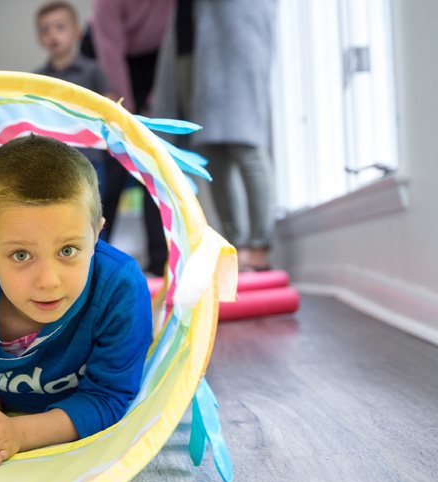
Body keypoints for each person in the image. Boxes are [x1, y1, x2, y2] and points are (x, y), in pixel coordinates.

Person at [0, 134, 152, 470]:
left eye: (68, 251)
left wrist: (20, 432)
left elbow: (108, 397)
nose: (48, 281)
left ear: (96, 235)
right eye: (21, 254)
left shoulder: (119, 289)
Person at [153, 0, 278, 271]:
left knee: (247, 147)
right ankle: (238, 245)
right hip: (197, 50)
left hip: (237, 41)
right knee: (211, 153)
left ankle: (259, 246)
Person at [83, 0, 176, 276]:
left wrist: (153, 104)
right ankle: (93, 262)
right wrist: (123, 113)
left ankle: (160, 263)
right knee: (110, 176)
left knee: (155, 171)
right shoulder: (106, 6)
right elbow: (110, 52)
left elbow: (169, 57)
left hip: (158, 63)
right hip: (109, 66)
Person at [32, 2, 115, 182]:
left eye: (60, 27)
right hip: (50, 159)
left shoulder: (93, 70)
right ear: (39, 38)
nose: (53, 34)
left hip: (89, 157)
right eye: (45, 30)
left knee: (91, 207)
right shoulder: (37, 79)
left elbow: (111, 106)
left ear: (77, 32)